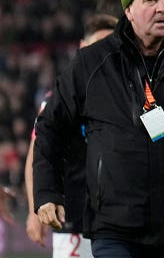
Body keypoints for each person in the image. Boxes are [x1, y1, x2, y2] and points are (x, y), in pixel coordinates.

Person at [33, 0, 164, 258]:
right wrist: (46, 192)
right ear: (128, 11)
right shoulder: (91, 63)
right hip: (114, 228)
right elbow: (50, 127)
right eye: (151, 0)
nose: (162, 8)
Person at [25, 13, 117, 255]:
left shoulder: (128, 96)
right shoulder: (63, 96)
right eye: (99, 45)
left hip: (120, 221)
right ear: (83, 47)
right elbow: (39, 151)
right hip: (74, 220)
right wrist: (35, 207)